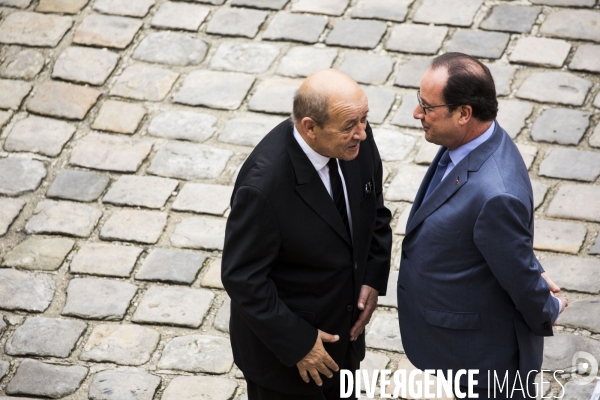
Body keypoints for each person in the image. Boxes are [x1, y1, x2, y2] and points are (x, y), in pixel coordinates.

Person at [396, 52, 568, 399]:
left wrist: (549, 308)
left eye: (427, 107)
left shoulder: (496, 195)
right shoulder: (469, 143)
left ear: (464, 114)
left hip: (482, 361)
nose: (417, 114)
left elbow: (519, 278)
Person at [221, 69, 392, 400]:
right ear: (310, 128)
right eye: (350, 126)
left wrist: (372, 275)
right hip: (287, 367)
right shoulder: (263, 188)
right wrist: (299, 343)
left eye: (364, 119)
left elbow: (375, 211)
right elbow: (242, 277)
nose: (363, 133)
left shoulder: (355, 143)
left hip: (345, 348)